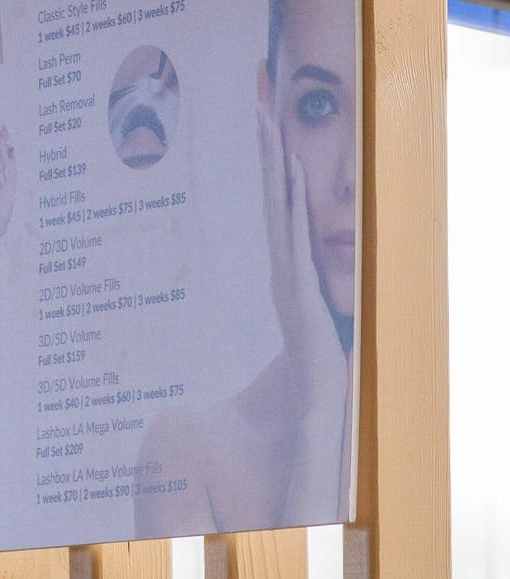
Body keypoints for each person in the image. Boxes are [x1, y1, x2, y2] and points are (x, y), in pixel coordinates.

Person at [134, 0, 355, 534]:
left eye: (388, 116)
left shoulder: (470, 431)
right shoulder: (189, 454)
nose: (352, 176)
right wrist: (320, 412)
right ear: (267, 105)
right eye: (320, 105)